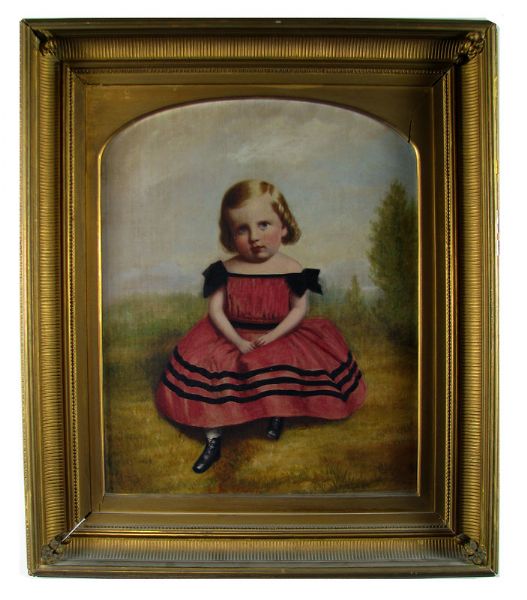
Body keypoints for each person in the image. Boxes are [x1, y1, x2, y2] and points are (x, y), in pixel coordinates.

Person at [155, 179, 366, 473]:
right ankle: (214, 439)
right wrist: (238, 342)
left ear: (284, 227)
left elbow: (299, 309)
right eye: (242, 229)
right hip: (231, 334)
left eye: (264, 225)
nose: (254, 237)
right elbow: (216, 310)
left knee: (279, 362)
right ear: (230, 235)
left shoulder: (292, 269)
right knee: (215, 372)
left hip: (277, 333)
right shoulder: (224, 270)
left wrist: (273, 335)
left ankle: (276, 412)